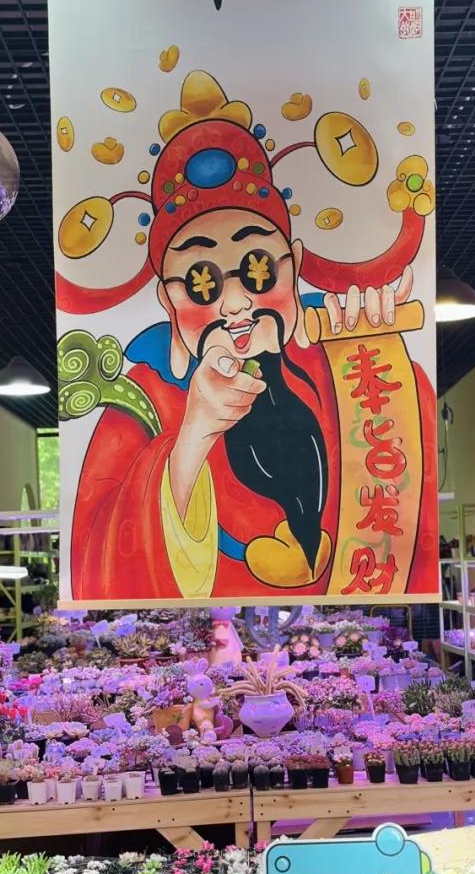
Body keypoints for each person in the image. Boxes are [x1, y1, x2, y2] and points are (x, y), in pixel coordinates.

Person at [66, 72, 437, 600]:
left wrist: (383, 359)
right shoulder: (142, 399)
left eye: (258, 268)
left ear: (295, 266)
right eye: (202, 282)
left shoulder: (343, 359)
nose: (235, 304)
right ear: (167, 299)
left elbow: (409, 511)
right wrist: (193, 435)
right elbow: (98, 563)